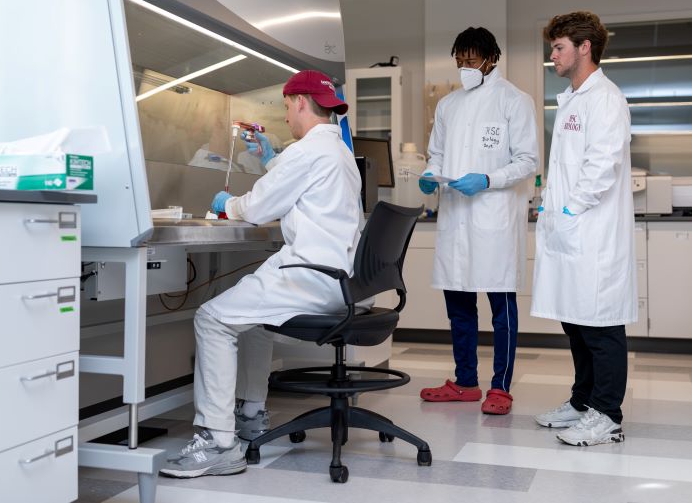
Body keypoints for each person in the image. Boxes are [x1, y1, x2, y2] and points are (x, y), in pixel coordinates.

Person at [159, 70, 368, 478]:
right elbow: (299, 182)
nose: (287, 115)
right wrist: (272, 158)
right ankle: (251, 413)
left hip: (309, 275)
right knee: (251, 322)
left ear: (301, 103)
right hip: (336, 279)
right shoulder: (338, 152)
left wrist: (226, 203)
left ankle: (218, 442)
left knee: (212, 318)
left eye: (287, 107)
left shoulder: (308, 152)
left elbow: (254, 209)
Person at [417, 27, 538, 415]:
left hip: (494, 219)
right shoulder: (448, 105)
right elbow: (435, 153)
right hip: (455, 216)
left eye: (471, 61)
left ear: (491, 59)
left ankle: (500, 388)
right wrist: (429, 172)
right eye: (459, 61)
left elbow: (527, 161)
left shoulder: (514, 101)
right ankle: (465, 381)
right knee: (459, 304)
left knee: (501, 305)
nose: (464, 68)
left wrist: (487, 179)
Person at [530, 11, 636, 446]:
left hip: (593, 232)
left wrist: (570, 211)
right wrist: (557, 213)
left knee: (601, 325)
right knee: (575, 322)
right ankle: (582, 402)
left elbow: (602, 166)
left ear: (584, 47)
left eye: (558, 47)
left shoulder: (605, 98)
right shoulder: (572, 98)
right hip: (570, 230)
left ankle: (607, 414)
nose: (552, 55)